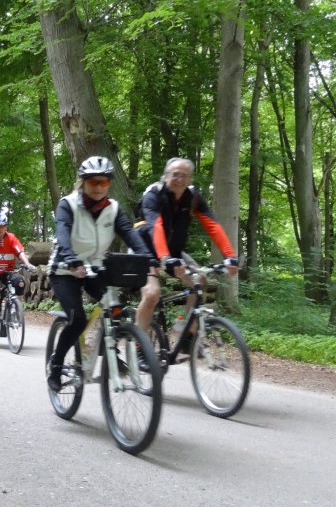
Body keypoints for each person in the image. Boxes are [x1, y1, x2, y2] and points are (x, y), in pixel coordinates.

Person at [46, 156, 159, 392]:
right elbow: (63, 232)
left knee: (115, 309)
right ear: (83, 182)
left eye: (104, 182)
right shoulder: (69, 205)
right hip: (65, 268)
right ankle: (56, 365)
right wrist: (70, 258)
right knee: (77, 320)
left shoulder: (113, 209)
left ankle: (108, 348)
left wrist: (148, 257)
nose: (98, 187)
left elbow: (129, 233)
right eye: (93, 182)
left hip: (95, 267)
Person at [132, 157, 238, 333]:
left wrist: (230, 256)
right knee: (151, 294)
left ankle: (188, 332)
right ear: (165, 176)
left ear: (190, 179)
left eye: (185, 175)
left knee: (200, 280)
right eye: (175, 175)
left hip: (173, 252)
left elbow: (212, 226)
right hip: (145, 250)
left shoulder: (193, 198)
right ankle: (139, 346)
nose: (180, 179)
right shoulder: (153, 194)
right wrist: (165, 258)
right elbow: (155, 226)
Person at [0, 212, 35, 332]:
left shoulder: (11, 238)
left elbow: (20, 252)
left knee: (20, 283)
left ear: (6, 226)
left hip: (8, 271)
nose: (0, 229)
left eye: (3, 226)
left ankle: (14, 311)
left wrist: (27, 263)